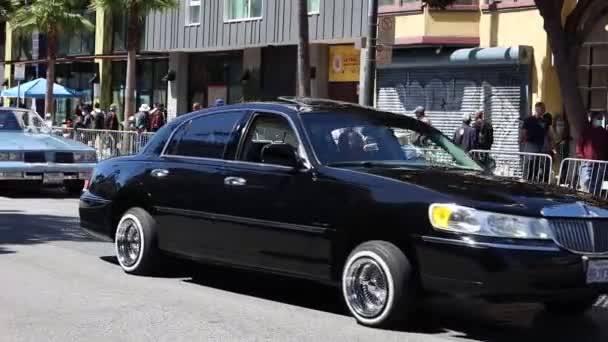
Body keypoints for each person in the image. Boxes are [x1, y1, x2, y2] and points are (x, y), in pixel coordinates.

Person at [577, 111, 608, 195]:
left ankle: (594, 200)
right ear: (593, 119)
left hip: (600, 162)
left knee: (597, 184)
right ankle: (586, 199)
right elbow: (580, 143)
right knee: (586, 183)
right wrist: (580, 155)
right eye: (598, 118)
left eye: (601, 119)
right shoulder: (586, 130)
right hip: (588, 161)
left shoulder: (604, 132)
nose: (600, 120)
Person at [521, 102, 553, 181]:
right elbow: (524, 131)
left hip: (540, 145)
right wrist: (523, 140)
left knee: (537, 164)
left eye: (543, 109)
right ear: (536, 109)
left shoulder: (545, 121)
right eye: (540, 109)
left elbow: (548, 133)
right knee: (528, 163)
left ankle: (533, 179)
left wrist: (551, 144)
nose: (541, 111)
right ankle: (526, 179)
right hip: (530, 144)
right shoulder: (529, 120)